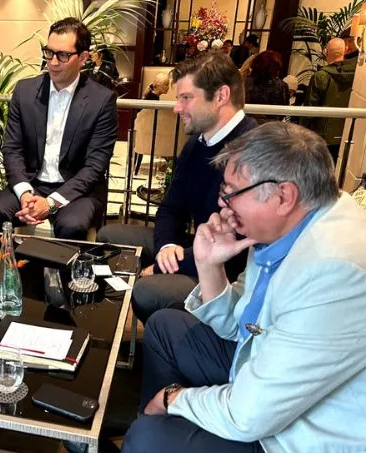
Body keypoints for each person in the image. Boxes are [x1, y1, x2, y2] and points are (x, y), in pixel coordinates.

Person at [122, 121, 366, 452]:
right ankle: (160, 424)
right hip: (274, 379)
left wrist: (172, 398)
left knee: (147, 439)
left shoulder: (336, 270)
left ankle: (156, 430)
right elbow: (241, 325)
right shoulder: (291, 226)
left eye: (231, 192)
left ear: (283, 196)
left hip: (316, 432)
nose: (222, 203)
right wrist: (209, 263)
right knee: (165, 327)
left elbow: (248, 416)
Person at [97, 51, 257, 325]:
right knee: (109, 236)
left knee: (147, 289)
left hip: (225, 275)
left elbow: (235, 250)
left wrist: (163, 267)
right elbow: (171, 207)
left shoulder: (252, 151)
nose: (176, 108)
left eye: (186, 98)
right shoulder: (197, 144)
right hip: (197, 246)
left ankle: (168, 336)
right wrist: (167, 247)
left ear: (221, 96)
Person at [0, 17, 117, 240]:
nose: (53, 62)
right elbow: (12, 149)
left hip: (77, 190)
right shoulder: (24, 91)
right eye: (49, 52)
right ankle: (6, 263)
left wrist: (50, 203)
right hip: (32, 183)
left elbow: (95, 166)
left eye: (63, 55)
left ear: (83, 58)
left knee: (72, 226)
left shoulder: (101, 100)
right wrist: (25, 193)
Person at [301, 37, 356, 163]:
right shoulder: (356, 75)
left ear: (326, 52)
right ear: (345, 50)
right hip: (345, 133)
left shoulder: (321, 76)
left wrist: (303, 131)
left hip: (322, 135)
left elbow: (310, 108)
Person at [244, 51, 290, 124]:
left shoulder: (244, 82)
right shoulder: (282, 86)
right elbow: (284, 111)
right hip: (272, 126)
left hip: (247, 125)